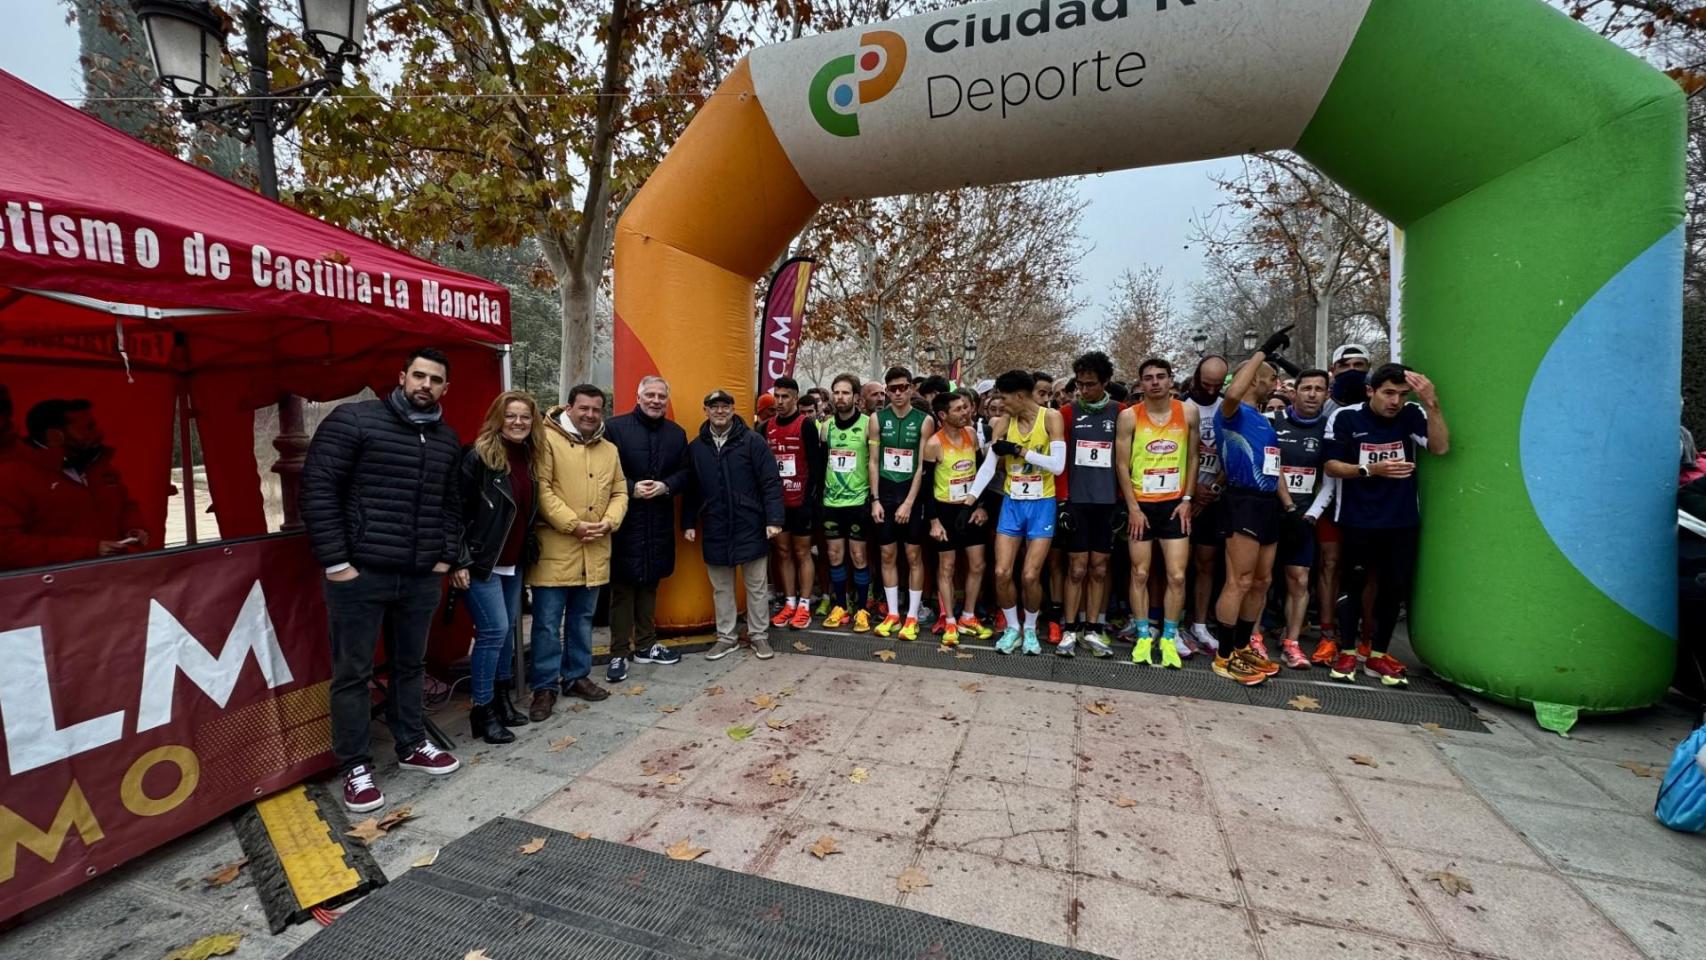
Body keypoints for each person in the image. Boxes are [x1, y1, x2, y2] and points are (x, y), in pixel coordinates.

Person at [301, 348, 463, 813]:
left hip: (418, 576)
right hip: (361, 574)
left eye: (435, 379)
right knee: (352, 673)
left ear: (444, 388)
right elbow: (317, 489)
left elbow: (451, 505)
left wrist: (443, 558)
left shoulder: (447, 439)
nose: (425, 385)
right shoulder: (354, 422)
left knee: (411, 666)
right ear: (402, 376)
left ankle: (412, 744)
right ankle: (355, 765)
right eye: (418, 375)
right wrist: (337, 562)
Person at [1322, 362, 1451, 686]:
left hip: (1401, 519)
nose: (1395, 401)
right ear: (1371, 391)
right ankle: (1348, 650)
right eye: (1388, 393)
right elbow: (1332, 466)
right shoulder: (1346, 417)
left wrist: (1431, 404)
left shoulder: (1410, 415)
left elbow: (1440, 447)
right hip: (1357, 517)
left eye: (1402, 394)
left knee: (1393, 589)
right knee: (1354, 584)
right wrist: (1370, 470)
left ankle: (1377, 655)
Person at [528, 384, 629, 719]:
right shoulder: (545, 441)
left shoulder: (609, 450)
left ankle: (577, 676)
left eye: (596, 409)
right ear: (569, 407)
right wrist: (573, 524)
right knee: (546, 623)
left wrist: (610, 521)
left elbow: (619, 491)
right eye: (583, 408)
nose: (590, 415)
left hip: (596, 548)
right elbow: (541, 490)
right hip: (556, 549)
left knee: (582, 619)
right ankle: (544, 685)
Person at [1207, 328, 1296, 686]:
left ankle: (1243, 647)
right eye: (1272, 376)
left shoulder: (1265, 420)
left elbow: (1274, 467)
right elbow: (1231, 391)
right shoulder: (1232, 413)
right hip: (1241, 503)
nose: (1277, 380)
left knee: (1261, 581)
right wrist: (1261, 352)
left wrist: (1288, 507)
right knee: (1239, 580)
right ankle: (1224, 654)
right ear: (1257, 378)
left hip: (1266, 505)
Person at [451, 390, 539, 744]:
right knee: (493, 632)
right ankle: (482, 710)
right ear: (497, 418)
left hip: (512, 562)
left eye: (525, 417)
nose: (518, 422)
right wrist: (458, 559)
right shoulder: (476, 456)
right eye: (511, 416)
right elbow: (454, 511)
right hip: (480, 562)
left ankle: (501, 699)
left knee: (505, 635)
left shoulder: (530, 456)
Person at [970, 369, 1066, 654]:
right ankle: (1012, 627)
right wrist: (970, 500)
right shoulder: (1002, 423)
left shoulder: (1050, 418)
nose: (1000, 403)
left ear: (1020, 396)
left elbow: (1058, 465)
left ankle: (1031, 628)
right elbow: (989, 466)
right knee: (1001, 572)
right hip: (1012, 503)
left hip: (1041, 504)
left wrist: (1022, 452)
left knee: (1029, 576)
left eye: (1004, 397)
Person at [685, 389, 785, 659]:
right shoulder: (696, 447)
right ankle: (726, 637)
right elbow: (691, 489)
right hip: (715, 525)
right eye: (714, 406)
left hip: (750, 524)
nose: (719, 411)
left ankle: (759, 636)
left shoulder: (753, 442)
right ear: (705, 410)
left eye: (725, 406)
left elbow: (770, 482)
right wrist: (689, 522)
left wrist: (774, 519)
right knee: (722, 588)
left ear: (733, 409)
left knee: (756, 586)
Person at [603, 375, 690, 683]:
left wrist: (667, 486)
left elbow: (685, 472)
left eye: (661, 396)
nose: (656, 401)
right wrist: (631, 488)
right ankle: (617, 653)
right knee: (623, 588)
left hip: (659, 519)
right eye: (650, 395)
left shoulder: (676, 434)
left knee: (651, 582)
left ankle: (645, 645)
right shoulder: (614, 428)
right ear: (638, 397)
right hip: (625, 519)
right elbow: (602, 472)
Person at [1116, 358, 1199, 667]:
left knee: (1177, 575)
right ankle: (1142, 636)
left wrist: (1188, 498)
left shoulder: (1187, 412)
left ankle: (1168, 637)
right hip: (1142, 505)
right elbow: (1121, 464)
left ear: (1170, 381)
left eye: (1160, 377)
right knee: (1140, 572)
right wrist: (1133, 507)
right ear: (1140, 384)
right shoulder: (1129, 417)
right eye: (1148, 378)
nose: (1154, 382)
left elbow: (1192, 458)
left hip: (1174, 504)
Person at [0, 398, 148, 570]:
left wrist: (133, 527)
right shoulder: (12, 476)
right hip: (53, 588)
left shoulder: (99, 467)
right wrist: (89, 550)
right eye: (89, 427)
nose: (99, 433)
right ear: (54, 436)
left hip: (113, 577)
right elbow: (7, 546)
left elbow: (126, 505)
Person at [1267, 369, 1333, 670]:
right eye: (1306, 388)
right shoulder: (1273, 422)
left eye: (1319, 389)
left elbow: (1330, 479)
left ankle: (1292, 642)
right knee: (1260, 579)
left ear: (1326, 394)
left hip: (1305, 515)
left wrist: (1310, 514)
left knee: (1300, 579)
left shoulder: (1329, 428)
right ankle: (1253, 636)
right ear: (1294, 392)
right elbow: (1272, 466)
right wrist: (1288, 506)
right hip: (1271, 511)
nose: (1311, 394)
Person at [1056, 351, 1121, 658]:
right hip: (1078, 501)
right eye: (1079, 384)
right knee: (1077, 568)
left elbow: (1125, 461)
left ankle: (1092, 629)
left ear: (1105, 382)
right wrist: (1063, 500)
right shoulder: (1067, 413)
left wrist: (1122, 501)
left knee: (1099, 568)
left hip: (1107, 502)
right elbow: (1061, 460)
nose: (1083, 390)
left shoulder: (1120, 412)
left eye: (1090, 385)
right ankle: (1069, 628)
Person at [922, 389, 994, 644]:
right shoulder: (933, 444)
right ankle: (950, 620)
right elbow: (926, 487)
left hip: (970, 508)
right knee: (947, 567)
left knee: (977, 565)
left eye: (966, 407)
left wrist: (981, 506)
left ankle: (968, 615)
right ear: (943, 415)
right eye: (959, 409)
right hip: (945, 511)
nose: (966, 412)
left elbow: (982, 473)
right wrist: (933, 521)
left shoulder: (972, 434)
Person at [868, 365, 934, 639]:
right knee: (886, 554)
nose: (898, 393)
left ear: (910, 389)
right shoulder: (876, 419)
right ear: (887, 391)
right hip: (885, 493)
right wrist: (875, 500)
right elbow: (872, 461)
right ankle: (893, 612)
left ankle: (912, 616)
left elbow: (922, 466)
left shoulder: (924, 420)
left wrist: (909, 502)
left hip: (911, 495)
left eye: (903, 388)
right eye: (892, 389)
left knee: (913, 555)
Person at [765, 377, 827, 630]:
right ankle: (789, 602)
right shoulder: (766, 427)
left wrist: (810, 499)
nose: (779, 402)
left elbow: (816, 466)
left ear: (794, 397)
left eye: (785, 397)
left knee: (802, 552)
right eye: (777, 396)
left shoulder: (806, 425)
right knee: (783, 552)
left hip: (801, 501)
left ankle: (804, 604)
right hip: (777, 503)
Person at [820, 375, 876, 631]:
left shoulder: (867, 424)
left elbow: (874, 463)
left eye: (845, 393)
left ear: (856, 397)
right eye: (836, 392)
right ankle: (840, 605)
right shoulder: (827, 427)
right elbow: (823, 463)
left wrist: (874, 499)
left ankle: (862, 608)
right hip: (832, 501)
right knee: (834, 555)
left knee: (858, 555)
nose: (840, 397)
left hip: (858, 500)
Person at [1183, 355, 1230, 655]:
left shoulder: (1228, 407)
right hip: (1183, 496)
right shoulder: (1181, 406)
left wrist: (1212, 487)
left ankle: (1200, 623)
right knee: (1175, 566)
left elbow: (1235, 451)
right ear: (1197, 377)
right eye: (1206, 383)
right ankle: (1170, 622)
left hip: (1214, 495)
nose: (1211, 390)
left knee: (1206, 562)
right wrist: (1191, 492)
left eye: (1217, 385)